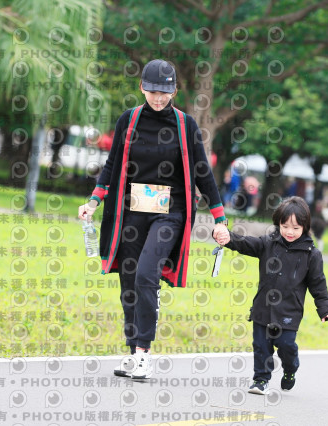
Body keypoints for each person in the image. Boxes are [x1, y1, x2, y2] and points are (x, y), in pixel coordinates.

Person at [77, 59, 228, 380]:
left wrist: (219, 218)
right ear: (142, 88)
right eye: (153, 91)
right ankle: (133, 352)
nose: (159, 97)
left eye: (165, 92)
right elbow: (111, 164)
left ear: (174, 91)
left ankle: (144, 353)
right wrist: (93, 201)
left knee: (147, 274)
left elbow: (202, 171)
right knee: (129, 280)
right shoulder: (129, 120)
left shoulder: (185, 125)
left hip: (170, 214)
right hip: (131, 212)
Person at [213, 196, 328, 394]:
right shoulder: (268, 243)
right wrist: (227, 237)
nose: (289, 232)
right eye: (285, 226)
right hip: (263, 308)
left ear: (305, 227)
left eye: (296, 228)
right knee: (261, 346)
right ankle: (260, 380)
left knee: (286, 345)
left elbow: (318, 284)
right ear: (278, 223)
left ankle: (290, 369)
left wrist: (325, 309)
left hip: (289, 311)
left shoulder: (311, 255)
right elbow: (245, 243)